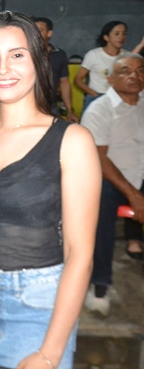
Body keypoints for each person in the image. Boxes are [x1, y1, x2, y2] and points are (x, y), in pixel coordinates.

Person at [0, 11, 101, 369]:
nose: (3, 68)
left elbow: (80, 255)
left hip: (38, 304)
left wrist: (49, 353)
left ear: (38, 60)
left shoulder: (71, 140)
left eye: (17, 55)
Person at [81, 53, 144, 316]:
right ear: (110, 79)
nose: (134, 76)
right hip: (112, 179)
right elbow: (99, 159)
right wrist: (134, 195)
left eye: (140, 70)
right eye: (125, 71)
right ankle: (99, 281)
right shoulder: (100, 109)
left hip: (141, 175)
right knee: (99, 203)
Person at [75, 21, 130, 111]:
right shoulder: (93, 54)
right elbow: (78, 80)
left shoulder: (127, 56)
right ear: (106, 37)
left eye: (124, 34)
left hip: (119, 98)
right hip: (96, 98)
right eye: (117, 34)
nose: (121, 37)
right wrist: (94, 94)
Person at [33, 16, 78, 121]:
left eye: (39, 30)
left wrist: (69, 110)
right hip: (25, 106)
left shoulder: (59, 55)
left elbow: (64, 82)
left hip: (50, 106)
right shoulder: (23, 53)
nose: (35, 34)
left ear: (49, 33)